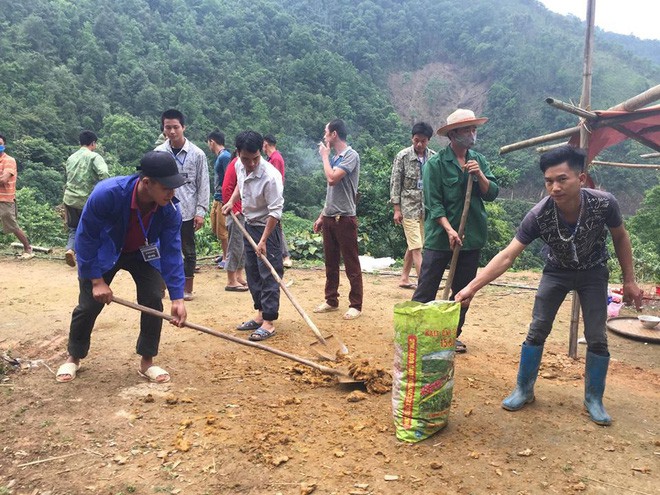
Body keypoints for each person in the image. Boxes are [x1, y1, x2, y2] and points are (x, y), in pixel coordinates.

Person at [455, 145, 644, 426]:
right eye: (548, 181)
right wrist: (472, 287)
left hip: (594, 271)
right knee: (538, 328)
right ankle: (524, 389)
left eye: (562, 179)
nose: (554, 187)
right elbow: (507, 255)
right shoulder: (539, 215)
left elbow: (620, 237)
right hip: (556, 271)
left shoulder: (605, 203)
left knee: (597, 336)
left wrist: (629, 280)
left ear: (581, 179)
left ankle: (594, 398)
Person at [55, 152, 189, 384]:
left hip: (142, 252)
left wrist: (178, 297)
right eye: (167, 187)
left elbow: (171, 252)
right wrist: (96, 281)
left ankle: (147, 361)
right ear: (147, 183)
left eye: (174, 187)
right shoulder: (108, 194)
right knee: (88, 304)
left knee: (153, 299)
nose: (172, 193)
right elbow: (86, 237)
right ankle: (74, 356)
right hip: (107, 251)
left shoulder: (170, 209)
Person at [412, 109, 499, 353]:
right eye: (467, 130)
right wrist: (450, 230)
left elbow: (491, 193)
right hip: (441, 238)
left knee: (463, 291)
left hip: (472, 238)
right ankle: (418, 332)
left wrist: (479, 175)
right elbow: (433, 205)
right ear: (453, 134)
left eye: (474, 129)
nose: (472, 134)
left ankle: (450, 335)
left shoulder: (478, 161)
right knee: (427, 287)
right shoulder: (435, 165)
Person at [222, 131, 284, 341]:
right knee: (252, 272)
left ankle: (269, 322)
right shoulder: (239, 164)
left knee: (269, 273)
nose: (250, 164)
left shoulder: (271, 176)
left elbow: (275, 212)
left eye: (255, 159)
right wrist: (232, 201)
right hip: (248, 224)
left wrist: (264, 240)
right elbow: (242, 183)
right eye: (246, 159)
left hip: (268, 227)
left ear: (261, 153)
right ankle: (259, 314)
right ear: (238, 153)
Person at [155, 109, 210, 301]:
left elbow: (203, 184)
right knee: (160, 247)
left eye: (175, 127)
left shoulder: (197, 154)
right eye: (167, 127)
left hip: (187, 211)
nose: (171, 131)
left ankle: (187, 289)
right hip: (162, 209)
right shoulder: (159, 153)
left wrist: (201, 211)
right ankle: (160, 286)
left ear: (183, 127)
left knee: (188, 250)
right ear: (163, 129)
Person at [313, 119, 363, 320]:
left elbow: (332, 179)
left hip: (345, 217)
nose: (325, 136)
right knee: (330, 262)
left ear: (334, 134)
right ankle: (331, 300)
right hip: (329, 216)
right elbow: (330, 193)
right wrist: (321, 216)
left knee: (351, 263)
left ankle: (356, 304)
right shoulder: (335, 158)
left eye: (326, 132)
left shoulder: (351, 156)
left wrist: (324, 157)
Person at [390, 122, 436, 290]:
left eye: (423, 141)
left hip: (425, 208)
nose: (419, 144)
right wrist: (396, 209)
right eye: (416, 140)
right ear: (412, 138)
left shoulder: (433, 157)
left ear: (428, 141)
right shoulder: (402, 156)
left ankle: (404, 278)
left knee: (413, 243)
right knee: (417, 246)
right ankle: (425, 283)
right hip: (408, 206)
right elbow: (395, 183)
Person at [63, 130, 110, 267]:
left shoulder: (71, 157)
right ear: (93, 143)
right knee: (94, 229)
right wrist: (102, 191)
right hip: (87, 200)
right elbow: (104, 174)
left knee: (73, 228)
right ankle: (93, 258)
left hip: (70, 199)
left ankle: (71, 249)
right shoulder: (94, 157)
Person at [0, 133, 33, 259]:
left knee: (12, 225)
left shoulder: (9, 160)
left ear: (4, 145)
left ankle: (27, 247)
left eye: (0, 144)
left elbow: (4, 179)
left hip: (5, 199)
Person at [263, 134, 292, 268]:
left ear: (266, 144)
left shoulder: (275, 159)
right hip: (270, 197)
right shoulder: (272, 158)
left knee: (276, 225)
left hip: (274, 197)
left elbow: (274, 180)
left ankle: (285, 255)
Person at [222, 150, 249, 291]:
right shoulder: (235, 164)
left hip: (243, 210)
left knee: (242, 246)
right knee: (235, 245)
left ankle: (239, 275)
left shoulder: (242, 164)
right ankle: (231, 279)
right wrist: (233, 208)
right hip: (235, 211)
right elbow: (226, 188)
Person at [207, 130, 232, 269]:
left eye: (208, 143)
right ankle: (224, 254)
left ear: (212, 141)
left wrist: (227, 200)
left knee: (223, 230)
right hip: (218, 197)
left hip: (223, 198)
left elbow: (229, 179)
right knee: (216, 228)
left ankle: (227, 257)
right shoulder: (221, 156)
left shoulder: (225, 157)